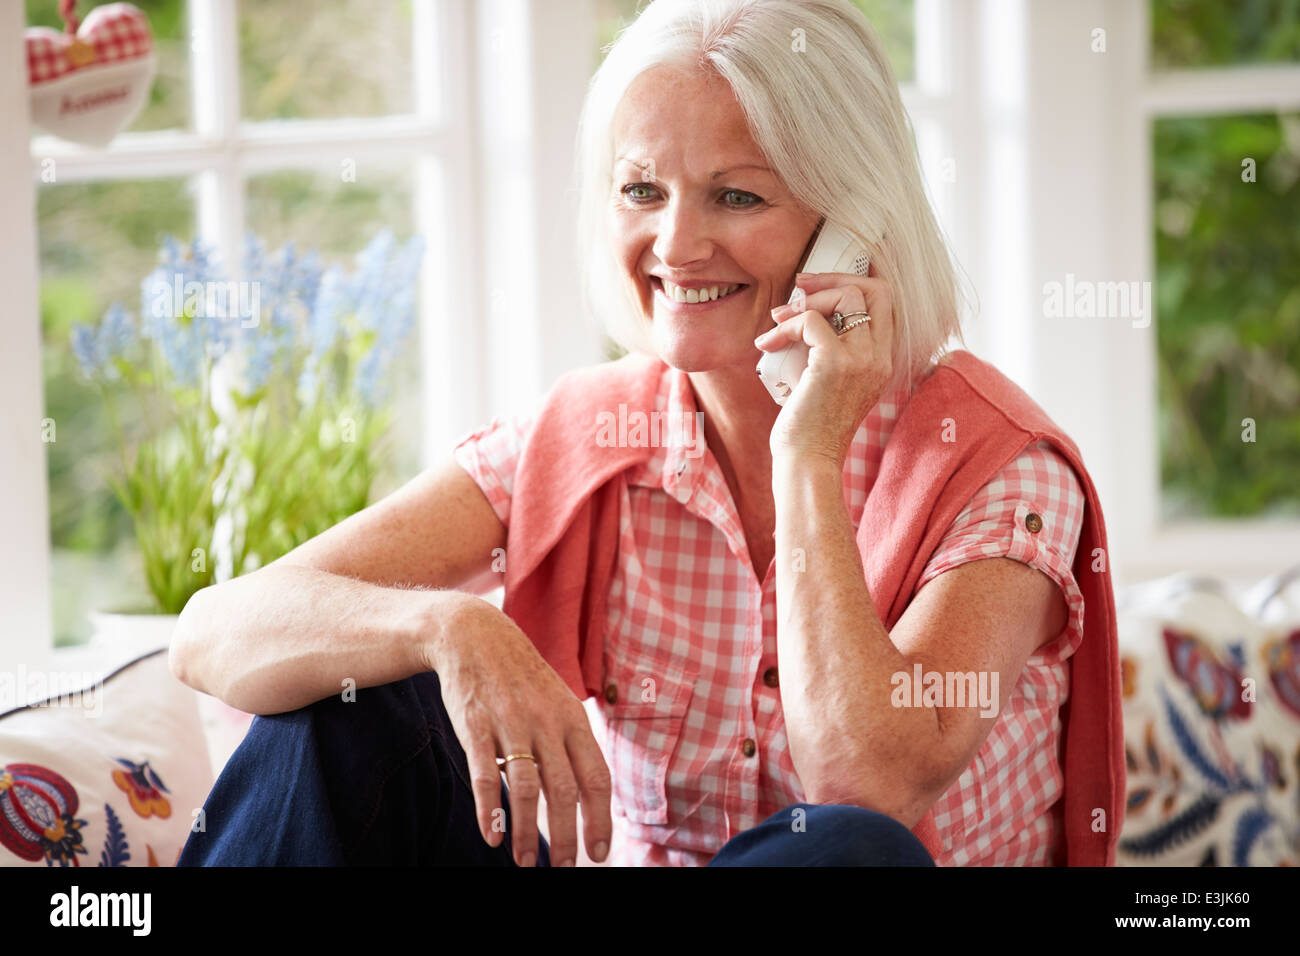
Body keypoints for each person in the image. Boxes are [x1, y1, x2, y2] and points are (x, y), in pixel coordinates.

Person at [172, 0, 1122, 868]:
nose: (674, 244)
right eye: (641, 191)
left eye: (736, 196)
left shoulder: (998, 466)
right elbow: (212, 636)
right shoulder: (587, 434)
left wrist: (809, 452)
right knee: (344, 711)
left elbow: (868, 779)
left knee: (839, 851)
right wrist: (444, 623)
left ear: (856, 225)